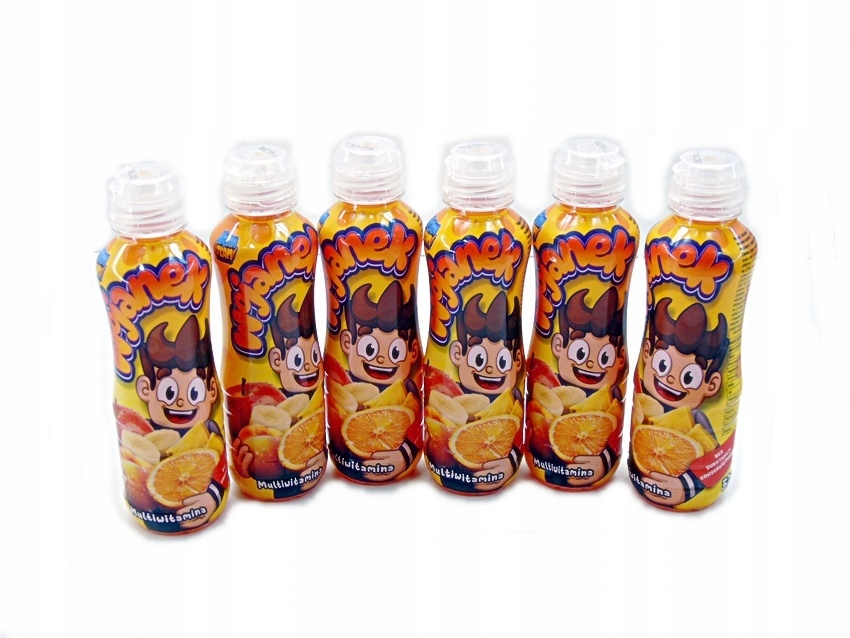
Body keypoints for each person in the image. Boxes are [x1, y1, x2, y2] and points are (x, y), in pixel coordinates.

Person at [635, 297, 729, 506]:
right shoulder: (645, 405)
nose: (670, 379)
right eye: (663, 364)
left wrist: (685, 487)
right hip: (642, 471)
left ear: (712, 384)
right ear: (647, 353)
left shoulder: (696, 420)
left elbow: (712, 457)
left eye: (689, 376)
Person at [135, 316, 225, 530]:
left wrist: (213, 495)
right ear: (145, 389)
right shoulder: (144, 436)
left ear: (212, 390)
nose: (182, 402)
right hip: (153, 505)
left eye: (195, 391)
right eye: (169, 392)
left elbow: (218, 466)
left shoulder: (209, 432)